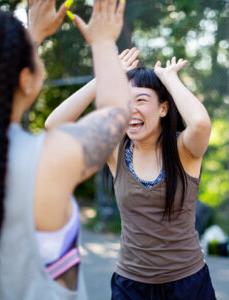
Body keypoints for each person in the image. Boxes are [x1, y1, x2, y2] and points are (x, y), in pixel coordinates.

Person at [0, 0, 131, 299]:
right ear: (26, 79)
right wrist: (103, 41)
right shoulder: (49, 159)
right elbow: (118, 110)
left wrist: (30, 35)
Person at [45, 49, 217, 299]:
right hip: (131, 286)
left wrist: (168, 78)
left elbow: (201, 123)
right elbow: (54, 126)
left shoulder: (184, 150)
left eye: (141, 100)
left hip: (187, 284)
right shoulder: (114, 150)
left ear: (163, 108)